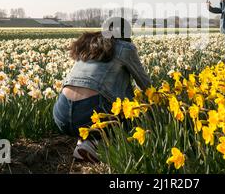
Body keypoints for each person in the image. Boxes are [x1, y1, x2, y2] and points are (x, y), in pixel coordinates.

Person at [52, 17, 152, 162]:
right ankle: (97, 143)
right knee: (130, 109)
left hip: (61, 115)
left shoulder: (87, 45)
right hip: (90, 114)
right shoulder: (124, 48)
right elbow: (146, 85)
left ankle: (85, 140)